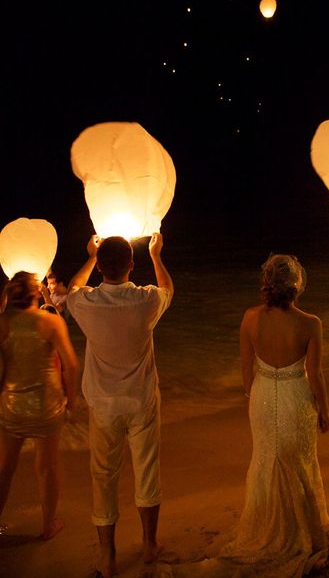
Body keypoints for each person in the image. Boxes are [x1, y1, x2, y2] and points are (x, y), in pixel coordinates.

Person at [181, 254, 329, 578]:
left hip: (262, 395)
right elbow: (315, 374)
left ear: (267, 284)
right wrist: (324, 411)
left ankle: (266, 526)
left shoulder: (250, 318)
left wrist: (254, 398)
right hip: (295, 397)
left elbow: (246, 367)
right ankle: (300, 532)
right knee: (297, 462)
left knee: (266, 460)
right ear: (296, 286)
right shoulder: (310, 323)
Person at [66, 232, 173, 578]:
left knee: (104, 477)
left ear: (99, 267)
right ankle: (149, 544)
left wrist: (88, 255)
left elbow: (71, 288)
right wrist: (156, 255)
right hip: (141, 399)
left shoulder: (85, 303)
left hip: (103, 403)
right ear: (131, 264)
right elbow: (168, 289)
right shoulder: (145, 301)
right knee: (147, 470)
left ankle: (108, 556)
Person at [0, 271, 79, 539]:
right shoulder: (51, 322)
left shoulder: (3, 322)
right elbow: (70, 364)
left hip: (12, 404)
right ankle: (47, 526)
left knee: (5, 467)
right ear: (36, 293)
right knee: (47, 468)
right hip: (47, 405)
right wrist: (72, 399)